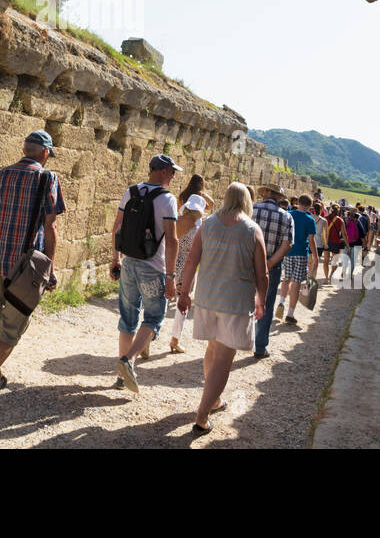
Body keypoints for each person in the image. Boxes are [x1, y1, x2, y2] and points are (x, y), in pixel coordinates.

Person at [0, 130, 65, 434]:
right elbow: (52, 226)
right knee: (10, 332)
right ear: (44, 153)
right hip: (25, 270)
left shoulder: (2, 175)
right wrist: (51, 268)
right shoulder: (48, 179)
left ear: (25, 150)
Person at [177, 183, 268, 435]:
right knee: (224, 360)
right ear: (246, 201)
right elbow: (263, 273)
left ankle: (213, 400)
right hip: (235, 303)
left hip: (207, 298)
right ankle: (202, 414)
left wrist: (185, 293)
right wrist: (261, 299)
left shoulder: (209, 224)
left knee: (213, 350)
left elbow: (192, 260)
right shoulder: (252, 230)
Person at [110, 155, 181, 392]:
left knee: (127, 318)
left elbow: (117, 228)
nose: (173, 176)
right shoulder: (167, 200)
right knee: (153, 318)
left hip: (129, 263)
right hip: (153, 268)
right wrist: (170, 278)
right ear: (162, 171)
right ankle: (128, 360)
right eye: (172, 172)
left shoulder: (130, 192)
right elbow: (171, 240)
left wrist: (115, 259)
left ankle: (121, 377)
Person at [167, 174, 214, 354]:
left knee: (163, 298)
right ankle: (175, 339)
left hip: (173, 263)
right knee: (182, 303)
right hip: (188, 268)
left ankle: (149, 335)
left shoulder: (177, 223)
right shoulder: (201, 227)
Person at [251, 186, 293, 358]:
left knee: (241, 299)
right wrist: (270, 262)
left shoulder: (252, 208)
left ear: (266, 194)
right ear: (278, 198)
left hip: (248, 262)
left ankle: (236, 338)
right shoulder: (286, 216)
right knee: (266, 304)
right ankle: (260, 347)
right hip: (271, 266)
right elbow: (287, 244)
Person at [275, 196, 318, 323]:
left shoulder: (288, 214)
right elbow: (311, 240)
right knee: (296, 283)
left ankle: (281, 303)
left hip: (287, 251)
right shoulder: (310, 220)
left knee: (286, 280)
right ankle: (290, 314)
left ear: (298, 203)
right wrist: (315, 256)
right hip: (300, 253)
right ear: (310, 206)